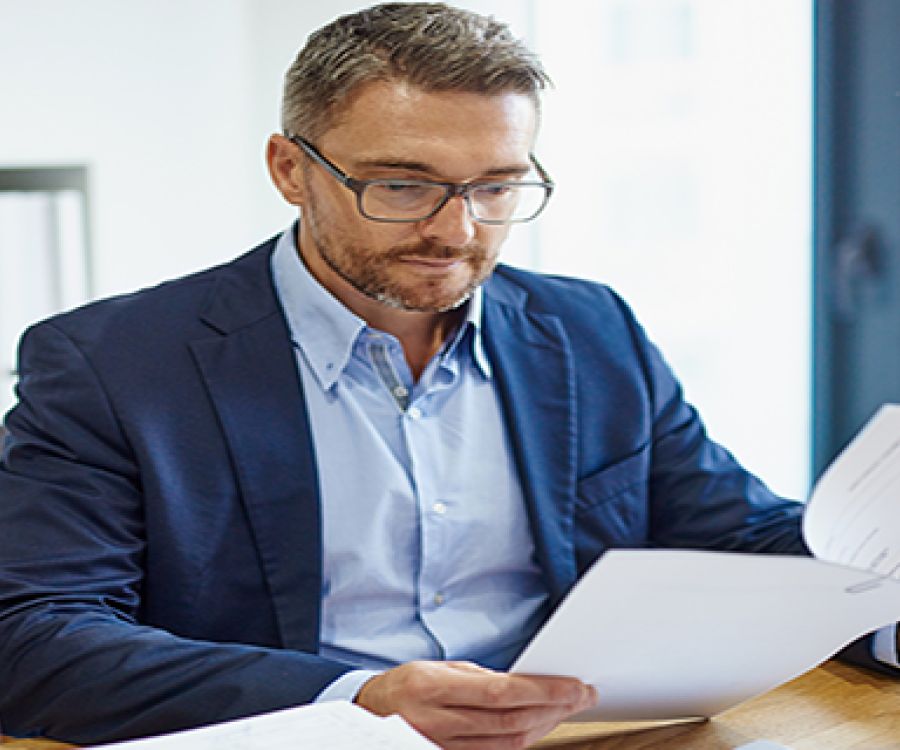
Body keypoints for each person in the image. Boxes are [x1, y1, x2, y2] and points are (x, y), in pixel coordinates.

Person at [0, 3, 896, 748]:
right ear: (289, 170)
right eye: (400, 185)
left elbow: (736, 535)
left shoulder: (588, 328)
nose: (459, 231)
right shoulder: (111, 364)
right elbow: (33, 637)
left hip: (579, 735)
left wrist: (885, 606)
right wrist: (357, 696)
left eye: (497, 188)